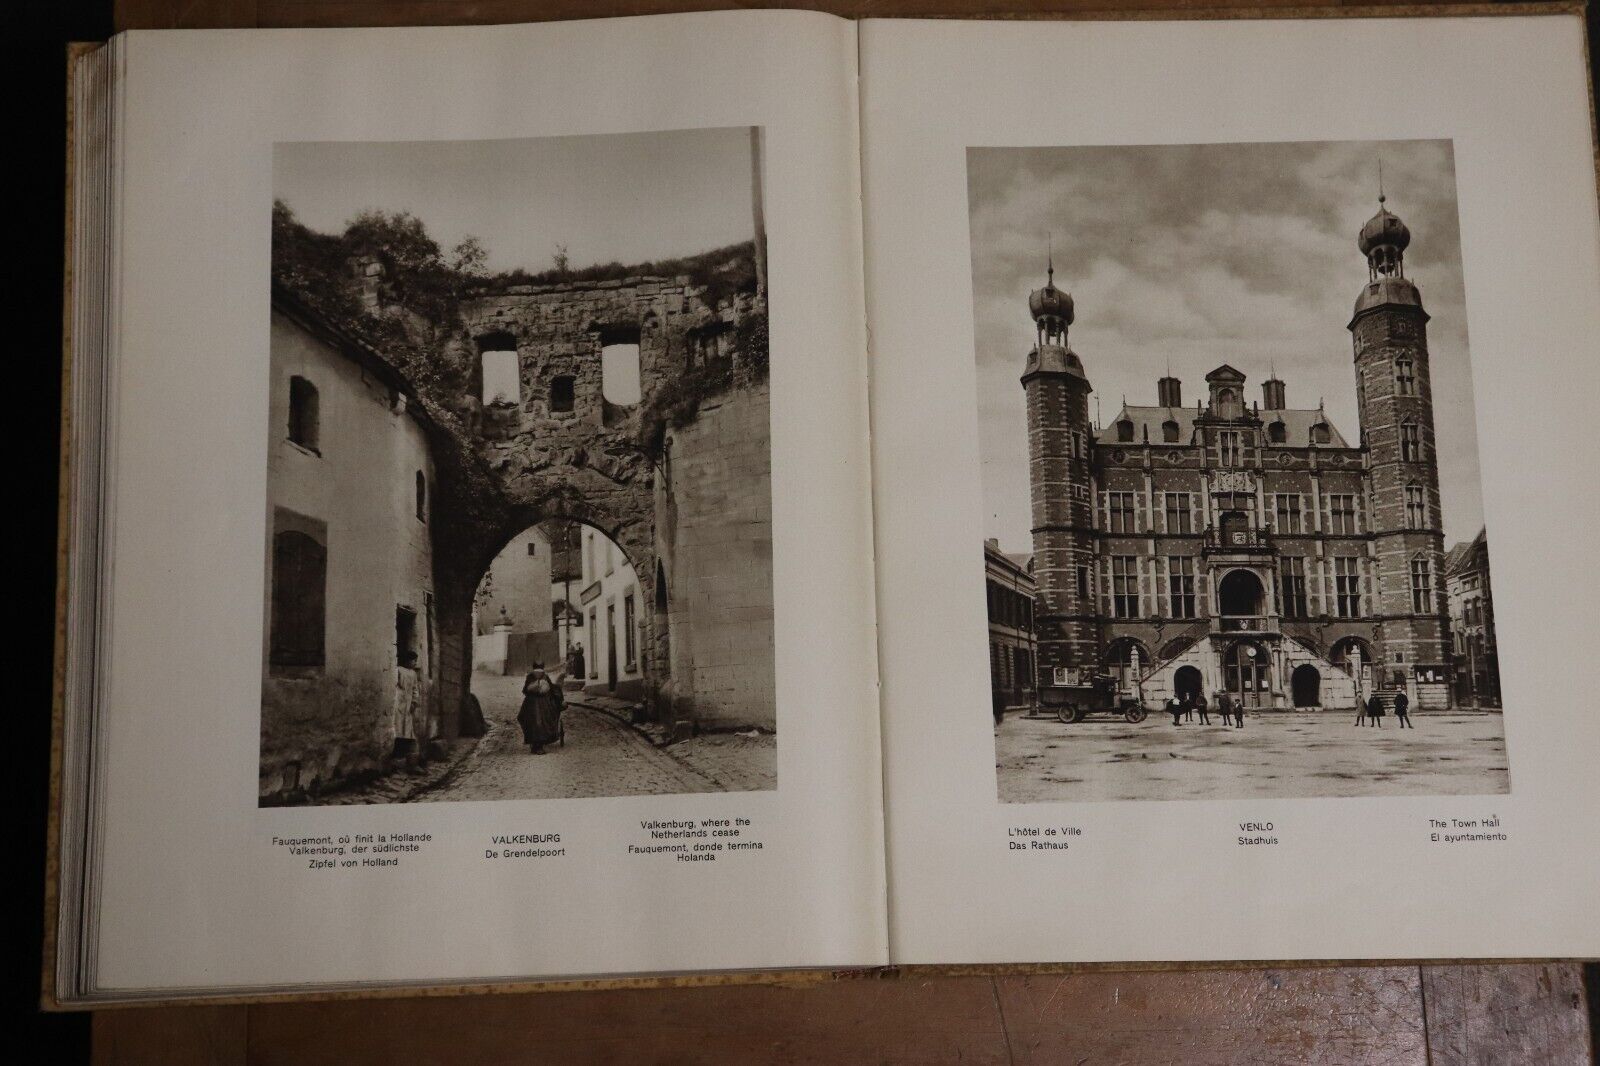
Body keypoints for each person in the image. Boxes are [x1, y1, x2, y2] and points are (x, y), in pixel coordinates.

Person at [517, 661, 565, 754]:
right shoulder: (545, 676)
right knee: (544, 720)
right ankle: (539, 746)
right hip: (544, 703)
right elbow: (552, 689)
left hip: (530, 703)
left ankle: (534, 744)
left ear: (533, 667)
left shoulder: (530, 676)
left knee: (529, 720)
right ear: (543, 667)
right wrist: (559, 699)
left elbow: (525, 691)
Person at [393, 651, 422, 771]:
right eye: (413, 660)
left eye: (415, 661)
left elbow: (415, 689)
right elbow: (395, 685)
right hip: (399, 702)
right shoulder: (398, 670)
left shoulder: (413, 674)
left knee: (407, 729)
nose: (415, 663)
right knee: (398, 726)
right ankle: (397, 753)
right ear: (407, 661)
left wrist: (414, 702)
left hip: (408, 704)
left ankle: (405, 752)